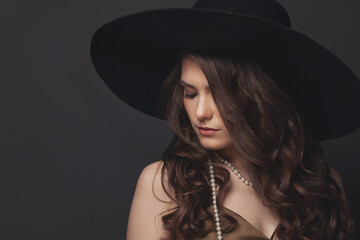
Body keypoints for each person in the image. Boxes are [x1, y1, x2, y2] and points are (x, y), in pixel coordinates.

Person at [90, 0, 360, 239]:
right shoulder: (165, 185)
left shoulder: (324, 186)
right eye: (190, 93)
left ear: (264, 95)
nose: (200, 112)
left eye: (218, 95)